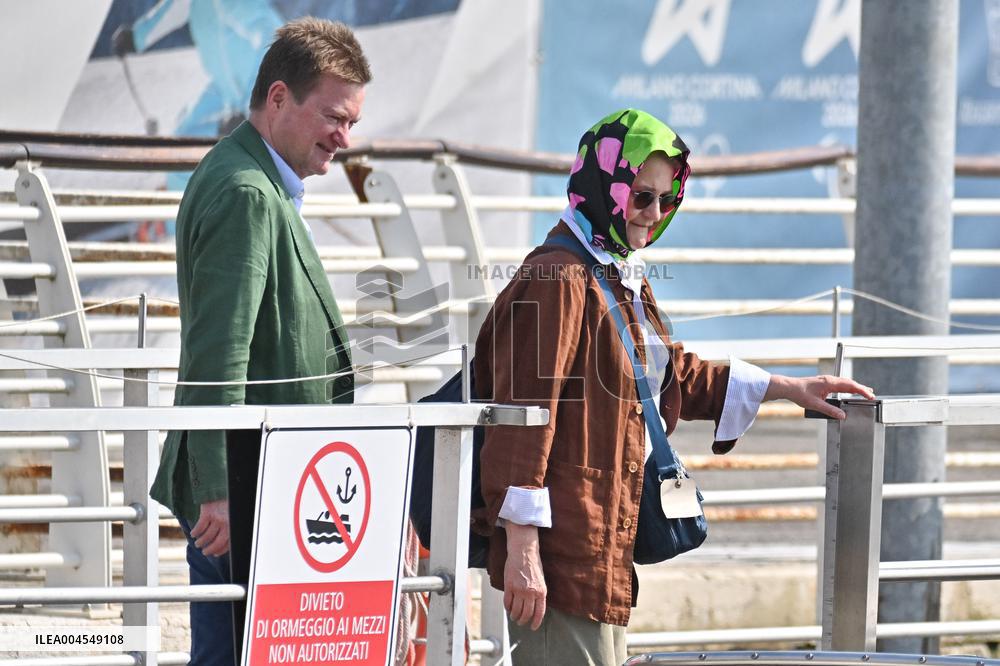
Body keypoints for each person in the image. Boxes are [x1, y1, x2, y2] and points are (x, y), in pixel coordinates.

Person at [473, 109, 875, 666]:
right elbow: (523, 419)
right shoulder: (560, 277)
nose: (654, 214)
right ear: (606, 187)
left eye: (667, 199)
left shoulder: (611, 269)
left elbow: (668, 375)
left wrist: (786, 387)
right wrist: (522, 550)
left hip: (595, 550)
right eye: (641, 196)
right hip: (564, 557)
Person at [149, 18, 371, 666]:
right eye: (334, 117)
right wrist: (218, 489)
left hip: (264, 481)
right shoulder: (248, 192)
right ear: (278, 99)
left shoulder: (250, 178)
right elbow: (219, 354)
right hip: (247, 490)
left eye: (352, 122)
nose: (345, 138)